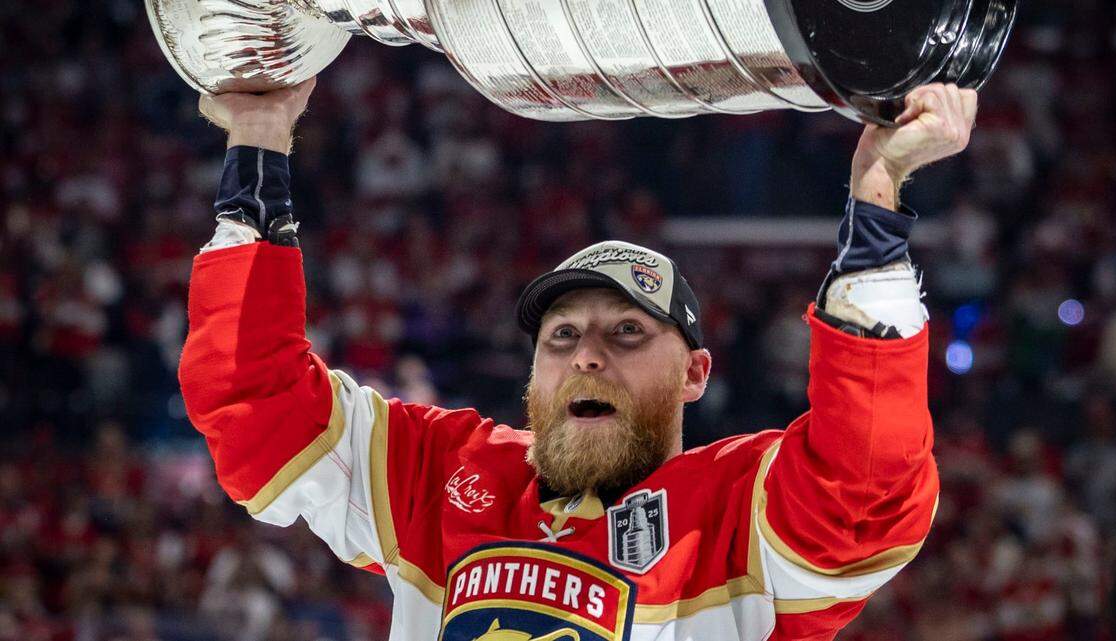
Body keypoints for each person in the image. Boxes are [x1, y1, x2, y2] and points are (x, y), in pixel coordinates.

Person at [180, 78, 977, 641]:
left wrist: (879, 191)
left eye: (627, 334)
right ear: (532, 374)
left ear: (696, 372)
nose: (587, 356)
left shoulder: (736, 515)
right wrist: (258, 140)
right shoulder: (440, 475)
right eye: (561, 337)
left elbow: (865, 487)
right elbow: (258, 408)